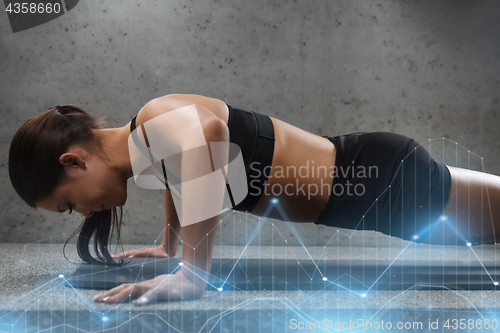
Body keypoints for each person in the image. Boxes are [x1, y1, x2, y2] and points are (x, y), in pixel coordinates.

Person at [8, 94, 500, 305]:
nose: (86, 214)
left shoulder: (154, 119)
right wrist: (169, 244)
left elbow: (207, 135)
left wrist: (193, 274)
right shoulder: (150, 146)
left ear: (72, 162)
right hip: (368, 190)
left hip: (378, 185)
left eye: (69, 204)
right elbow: (182, 171)